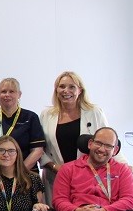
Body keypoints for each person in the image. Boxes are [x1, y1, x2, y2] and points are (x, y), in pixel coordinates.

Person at [40, 71, 119, 202]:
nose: (66, 91)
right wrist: (54, 167)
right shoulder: (46, 115)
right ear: (56, 90)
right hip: (56, 176)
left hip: (88, 177)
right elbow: (40, 149)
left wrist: (125, 164)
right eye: (62, 86)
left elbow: (109, 140)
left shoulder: (94, 112)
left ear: (80, 90)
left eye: (72, 87)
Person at [0, 77, 45, 174]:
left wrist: (18, 173)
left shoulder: (31, 117)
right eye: (3, 92)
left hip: (25, 173)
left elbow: (37, 150)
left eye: (12, 91)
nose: (7, 95)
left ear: (19, 94)